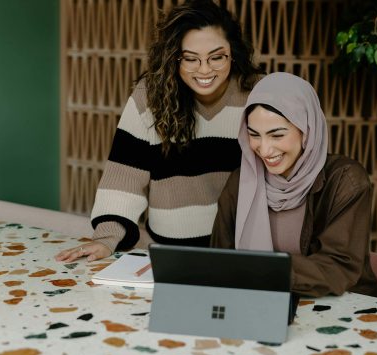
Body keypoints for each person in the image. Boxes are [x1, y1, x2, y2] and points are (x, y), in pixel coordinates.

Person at [56, 0, 262, 263]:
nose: (204, 69)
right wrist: (107, 239)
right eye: (190, 59)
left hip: (241, 252)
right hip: (167, 255)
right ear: (173, 57)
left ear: (233, 53)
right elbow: (124, 177)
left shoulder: (257, 93)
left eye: (216, 57)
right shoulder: (150, 96)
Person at [210, 72, 377, 297]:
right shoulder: (241, 182)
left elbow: (338, 267)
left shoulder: (345, 181)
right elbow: (219, 259)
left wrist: (262, 270)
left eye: (277, 135)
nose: (265, 149)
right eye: (254, 135)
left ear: (306, 129)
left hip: (341, 308)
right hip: (263, 304)